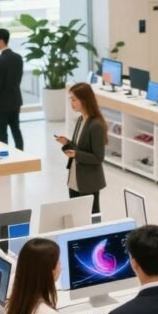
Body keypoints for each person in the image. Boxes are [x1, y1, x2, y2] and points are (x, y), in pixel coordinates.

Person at [55, 82, 107, 215]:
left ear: (84, 100)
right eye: (71, 99)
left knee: (91, 218)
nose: (71, 103)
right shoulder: (80, 120)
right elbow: (78, 147)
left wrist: (76, 154)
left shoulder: (96, 125)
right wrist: (67, 143)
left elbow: (98, 157)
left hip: (88, 181)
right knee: (76, 215)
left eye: (74, 99)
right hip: (74, 178)